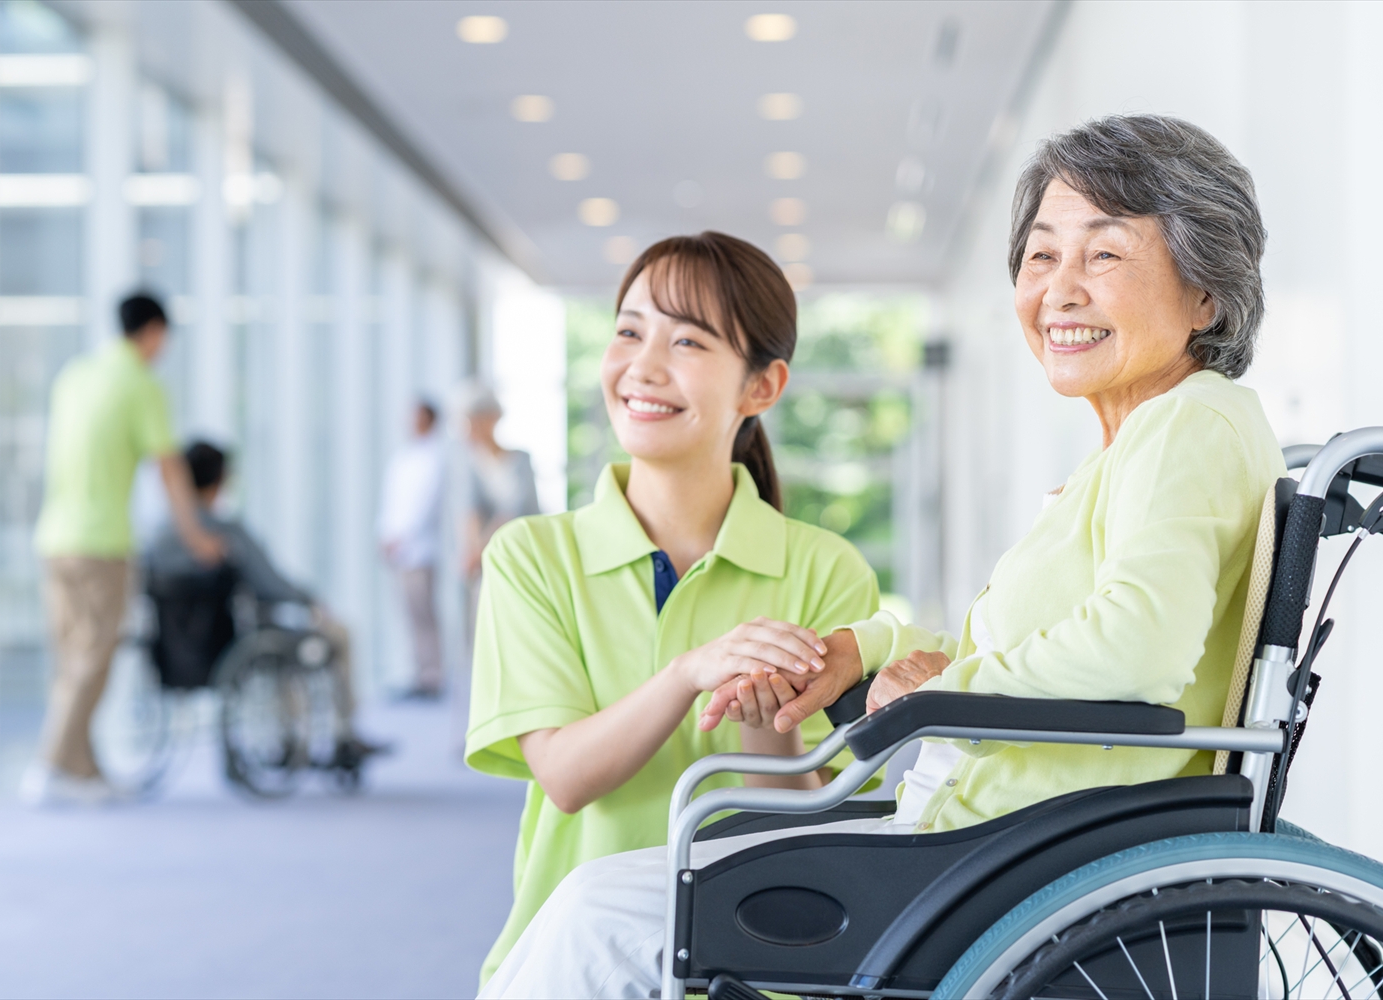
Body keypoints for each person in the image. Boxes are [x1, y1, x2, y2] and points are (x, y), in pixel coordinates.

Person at [480, 113, 1287, 997]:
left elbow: (1138, 649)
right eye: (1041, 256)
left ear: (1205, 294)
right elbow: (1063, 649)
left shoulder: (1189, 421)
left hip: (1009, 853)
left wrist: (945, 693)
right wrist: (867, 653)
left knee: (600, 911)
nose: (1059, 288)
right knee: (602, 904)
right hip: (989, 835)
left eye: (1104, 255)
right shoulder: (1136, 445)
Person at [464, 232, 882, 985]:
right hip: (571, 970)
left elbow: (810, 839)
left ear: (761, 386)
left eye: (688, 340)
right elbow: (563, 774)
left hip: (750, 975)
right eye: (628, 331)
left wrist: (766, 723)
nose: (642, 367)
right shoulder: (531, 557)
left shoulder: (826, 570)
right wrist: (691, 673)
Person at [23, 293, 225, 806]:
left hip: (54, 536)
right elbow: (170, 468)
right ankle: (48, 768)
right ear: (153, 332)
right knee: (92, 661)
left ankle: (82, 772)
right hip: (101, 542)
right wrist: (195, 535)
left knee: (72, 659)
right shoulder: (140, 383)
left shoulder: (75, 375)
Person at [148, 441, 388, 765]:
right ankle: (342, 733)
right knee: (332, 635)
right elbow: (270, 584)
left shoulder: (157, 540)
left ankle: (291, 736)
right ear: (220, 481)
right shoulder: (224, 533)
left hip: (177, 652)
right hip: (232, 641)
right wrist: (309, 600)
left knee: (275, 644)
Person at [377, 401, 446, 698]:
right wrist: (385, 534)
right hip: (399, 549)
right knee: (408, 613)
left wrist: (401, 536)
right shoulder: (404, 457)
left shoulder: (434, 458)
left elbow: (423, 506)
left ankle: (431, 676)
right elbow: (391, 501)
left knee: (422, 613)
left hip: (418, 549)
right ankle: (417, 672)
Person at [461, 385, 540, 584]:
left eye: (475, 421)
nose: (470, 429)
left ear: (492, 419)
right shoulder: (472, 465)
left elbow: (516, 510)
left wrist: (480, 548)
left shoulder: (521, 460)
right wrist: (471, 548)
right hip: (486, 557)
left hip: (521, 550)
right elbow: (471, 510)